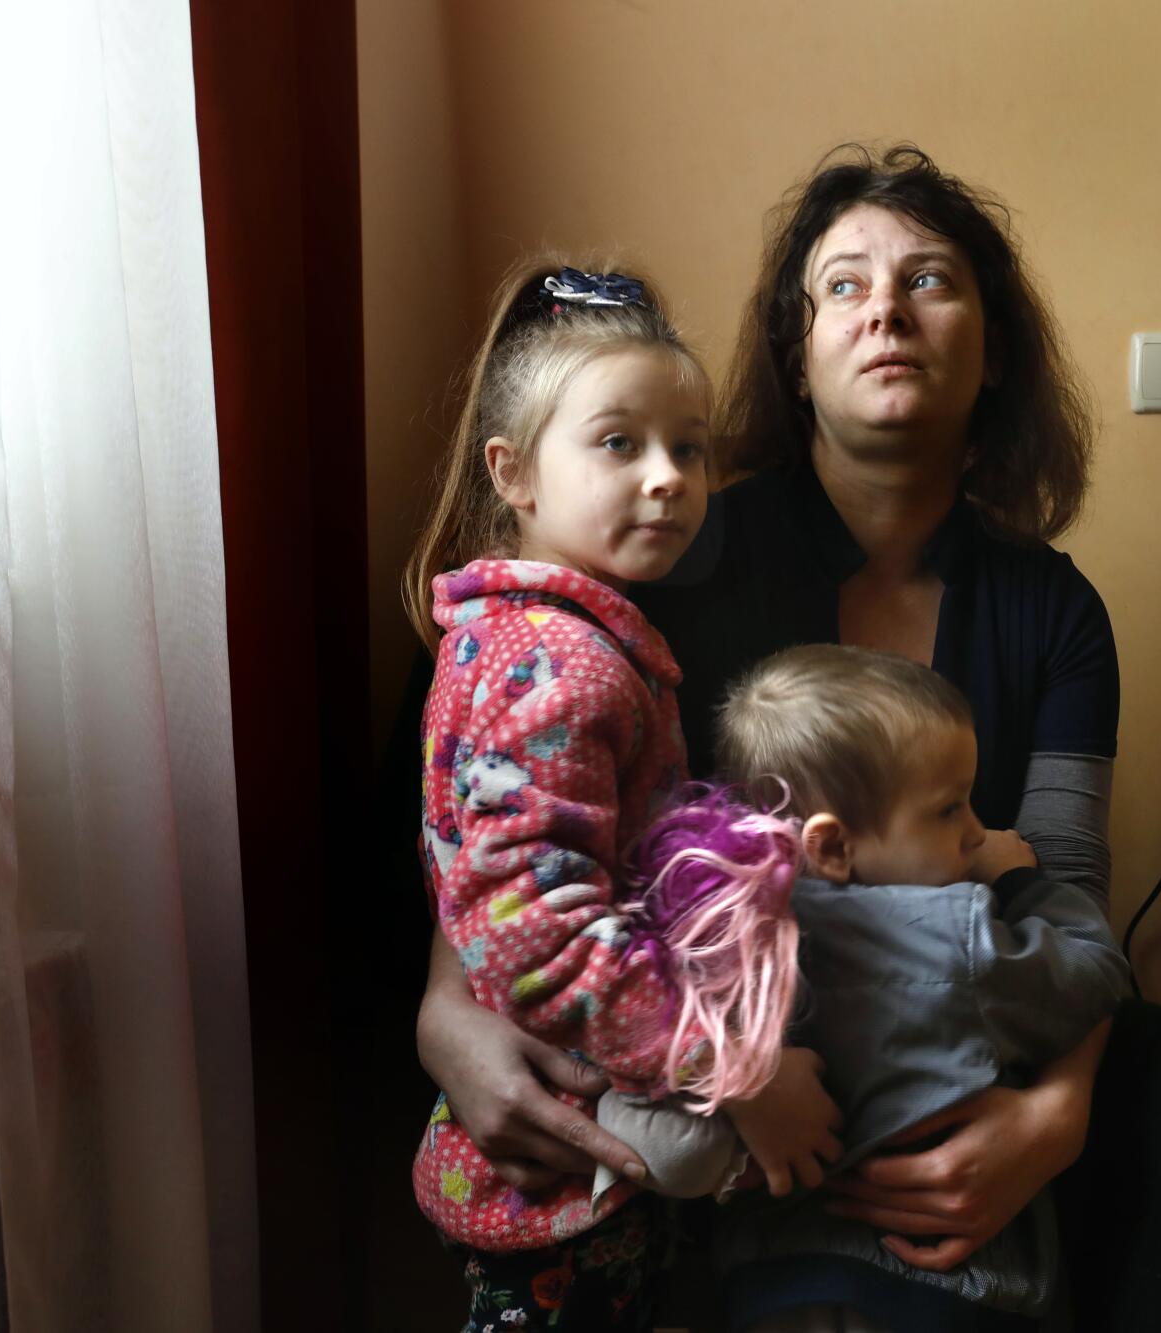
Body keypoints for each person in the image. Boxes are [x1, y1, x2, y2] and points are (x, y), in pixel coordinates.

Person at [414, 146, 1161, 1330]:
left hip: (963, 1001)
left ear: (993, 352)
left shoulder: (1054, 610)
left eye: (929, 280)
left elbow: (1065, 884)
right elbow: (508, 790)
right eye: (842, 285)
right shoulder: (669, 545)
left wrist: (1051, 1117)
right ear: (797, 351)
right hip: (728, 1024)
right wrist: (445, 1015)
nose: (884, 307)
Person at [404, 260, 832, 1332]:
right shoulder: (563, 665)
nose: (668, 476)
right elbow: (532, 935)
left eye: (688, 448)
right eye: (617, 442)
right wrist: (738, 1072)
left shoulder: (529, 641)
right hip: (562, 1166)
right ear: (513, 475)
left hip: (579, 1143)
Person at [712, 644, 1132, 1332]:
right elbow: (1095, 972)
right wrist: (1020, 880)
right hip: (933, 1282)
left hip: (767, 1277)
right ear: (833, 847)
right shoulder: (954, 939)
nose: (974, 830)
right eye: (949, 809)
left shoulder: (721, 935)